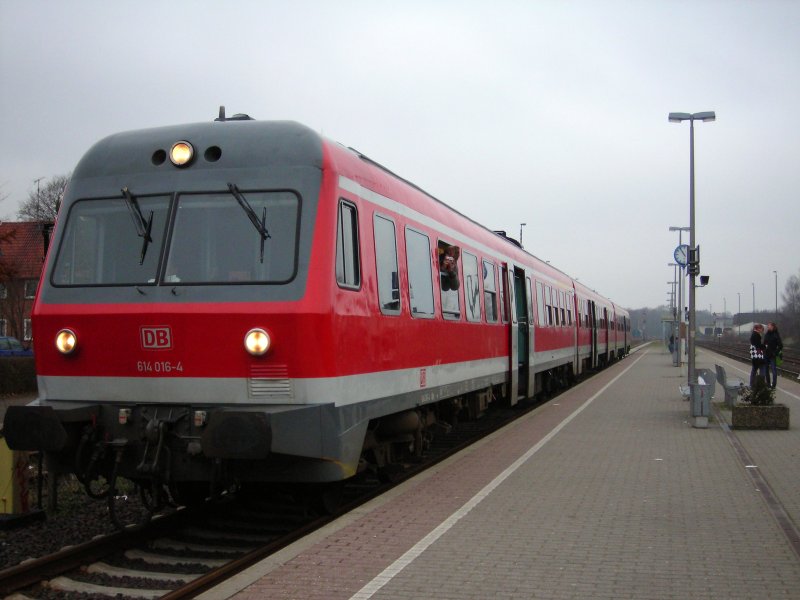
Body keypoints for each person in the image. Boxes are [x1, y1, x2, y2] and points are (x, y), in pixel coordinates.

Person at [763, 322, 783, 389]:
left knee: (774, 370)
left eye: (769, 326)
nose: (768, 327)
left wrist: (775, 353)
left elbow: (780, 345)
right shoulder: (767, 334)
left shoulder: (776, 335)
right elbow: (764, 342)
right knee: (766, 369)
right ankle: (768, 384)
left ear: (773, 327)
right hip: (766, 354)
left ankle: (773, 385)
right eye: (768, 326)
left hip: (772, 355)